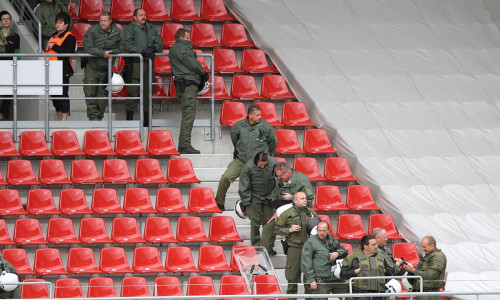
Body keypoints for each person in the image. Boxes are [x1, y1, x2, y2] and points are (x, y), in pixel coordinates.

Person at [216, 104, 277, 207]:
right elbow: (234, 139)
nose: (260, 117)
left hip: (257, 161)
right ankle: (219, 202)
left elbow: (273, 142)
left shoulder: (266, 127)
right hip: (242, 160)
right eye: (257, 115)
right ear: (250, 115)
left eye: (260, 115)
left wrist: (267, 156)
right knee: (226, 177)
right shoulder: (239, 126)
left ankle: (269, 202)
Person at [261, 161, 314, 255]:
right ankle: (266, 253)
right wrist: (276, 212)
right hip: (283, 212)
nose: (279, 178)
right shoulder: (280, 180)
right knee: (267, 228)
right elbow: (276, 197)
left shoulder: (302, 180)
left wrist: (293, 198)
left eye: (281, 176)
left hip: (299, 214)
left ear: (287, 172)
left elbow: (309, 201)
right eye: (277, 176)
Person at [169, 28, 208, 154]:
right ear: (181, 38)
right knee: (188, 116)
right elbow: (191, 62)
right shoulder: (181, 48)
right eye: (187, 38)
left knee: (188, 115)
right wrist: (203, 72)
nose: (189, 40)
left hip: (186, 85)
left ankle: (185, 144)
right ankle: (184, 145)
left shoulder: (179, 48)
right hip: (188, 86)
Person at [123, 8, 162, 126]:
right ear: (134, 17)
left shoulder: (151, 28)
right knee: (132, 91)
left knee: (148, 91)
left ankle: (146, 123)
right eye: (140, 15)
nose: (143, 17)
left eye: (144, 15)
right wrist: (142, 51)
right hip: (134, 64)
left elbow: (160, 43)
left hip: (148, 64)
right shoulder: (129, 29)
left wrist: (154, 48)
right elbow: (127, 44)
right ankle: (129, 121)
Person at [275, 191, 317, 297]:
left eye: (305, 198)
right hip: (294, 248)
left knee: (309, 278)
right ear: (295, 200)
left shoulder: (311, 213)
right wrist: (289, 229)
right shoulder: (286, 213)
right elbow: (276, 229)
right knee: (292, 278)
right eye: (302, 198)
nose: (305, 200)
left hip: (309, 248)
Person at [83, 11, 123, 121]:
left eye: (105, 21)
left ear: (110, 21)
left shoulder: (117, 32)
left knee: (102, 95)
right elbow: (88, 47)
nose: (103, 23)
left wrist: (112, 52)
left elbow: (122, 46)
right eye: (101, 20)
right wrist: (102, 53)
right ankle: (93, 118)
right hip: (91, 65)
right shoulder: (93, 30)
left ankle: (98, 118)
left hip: (106, 67)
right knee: (89, 91)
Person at [340, 234, 398, 299]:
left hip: (379, 294)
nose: (376, 246)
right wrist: (356, 271)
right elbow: (343, 274)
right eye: (373, 245)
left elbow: (393, 270)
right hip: (360, 294)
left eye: (376, 244)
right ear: (366, 246)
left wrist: (385, 270)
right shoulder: (353, 256)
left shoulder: (382, 255)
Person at [301, 221, 348, 300]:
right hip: (319, 279)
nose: (321, 233)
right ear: (317, 230)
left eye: (324, 230)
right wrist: (311, 280)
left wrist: (337, 253)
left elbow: (343, 250)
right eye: (319, 230)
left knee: (349, 296)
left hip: (334, 278)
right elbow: (306, 263)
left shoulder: (331, 239)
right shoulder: (310, 242)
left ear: (328, 230)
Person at [238, 152, 277, 246]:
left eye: (264, 165)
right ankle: (255, 245)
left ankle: (268, 246)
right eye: (260, 165)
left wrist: (273, 197)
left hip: (269, 196)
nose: (263, 167)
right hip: (255, 196)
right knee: (255, 222)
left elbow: (278, 181)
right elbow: (244, 185)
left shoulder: (273, 164)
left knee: (269, 222)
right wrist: (247, 202)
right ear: (256, 162)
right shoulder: (248, 167)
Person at [45, 11, 75, 121]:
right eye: (57, 22)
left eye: (61, 23)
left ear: (66, 24)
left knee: (63, 93)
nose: (58, 25)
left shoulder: (69, 37)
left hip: (62, 69)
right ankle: (59, 115)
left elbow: (69, 52)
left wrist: (54, 47)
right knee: (54, 94)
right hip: (51, 69)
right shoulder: (53, 35)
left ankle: (64, 117)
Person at [402, 235, 447, 300]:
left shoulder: (438, 257)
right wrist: (411, 268)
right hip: (423, 293)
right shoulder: (429, 255)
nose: (423, 249)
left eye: (424, 247)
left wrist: (414, 271)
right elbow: (423, 270)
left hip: (430, 295)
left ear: (432, 245)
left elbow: (431, 274)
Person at [0, 10, 20, 121]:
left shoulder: (15, 36)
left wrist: (18, 68)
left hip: (9, 69)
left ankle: (5, 118)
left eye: (8, 19)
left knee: (7, 95)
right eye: (4, 19)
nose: (6, 21)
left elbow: (18, 53)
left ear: (11, 21)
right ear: (0, 21)